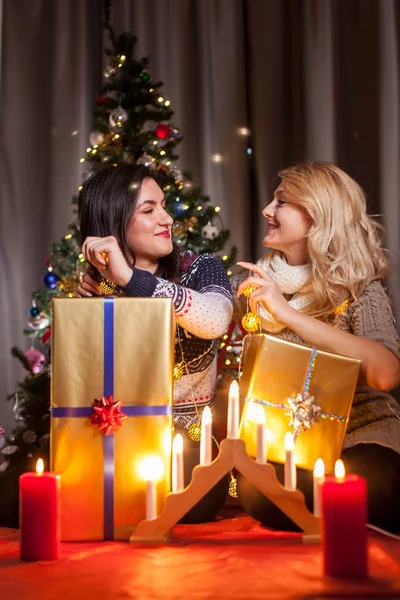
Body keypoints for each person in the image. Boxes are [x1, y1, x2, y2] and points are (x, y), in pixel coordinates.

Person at [231, 160, 400, 533]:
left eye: (281, 202)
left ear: (318, 217)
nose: (267, 211)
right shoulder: (254, 286)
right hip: (292, 448)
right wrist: (111, 285)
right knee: (258, 493)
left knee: (372, 484)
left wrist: (289, 315)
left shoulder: (359, 290)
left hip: (361, 438)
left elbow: (386, 373)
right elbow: (196, 310)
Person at [77, 164, 233, 522]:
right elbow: (84, 380)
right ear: (112, 224)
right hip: (118, 433)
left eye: (164, 205)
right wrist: (91, 305)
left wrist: (131, 279)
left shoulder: (201, 268)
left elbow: (215, 319)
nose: (167, 219)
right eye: (149, 210)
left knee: (197, 499)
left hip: (186, 439)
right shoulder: (96, 289)